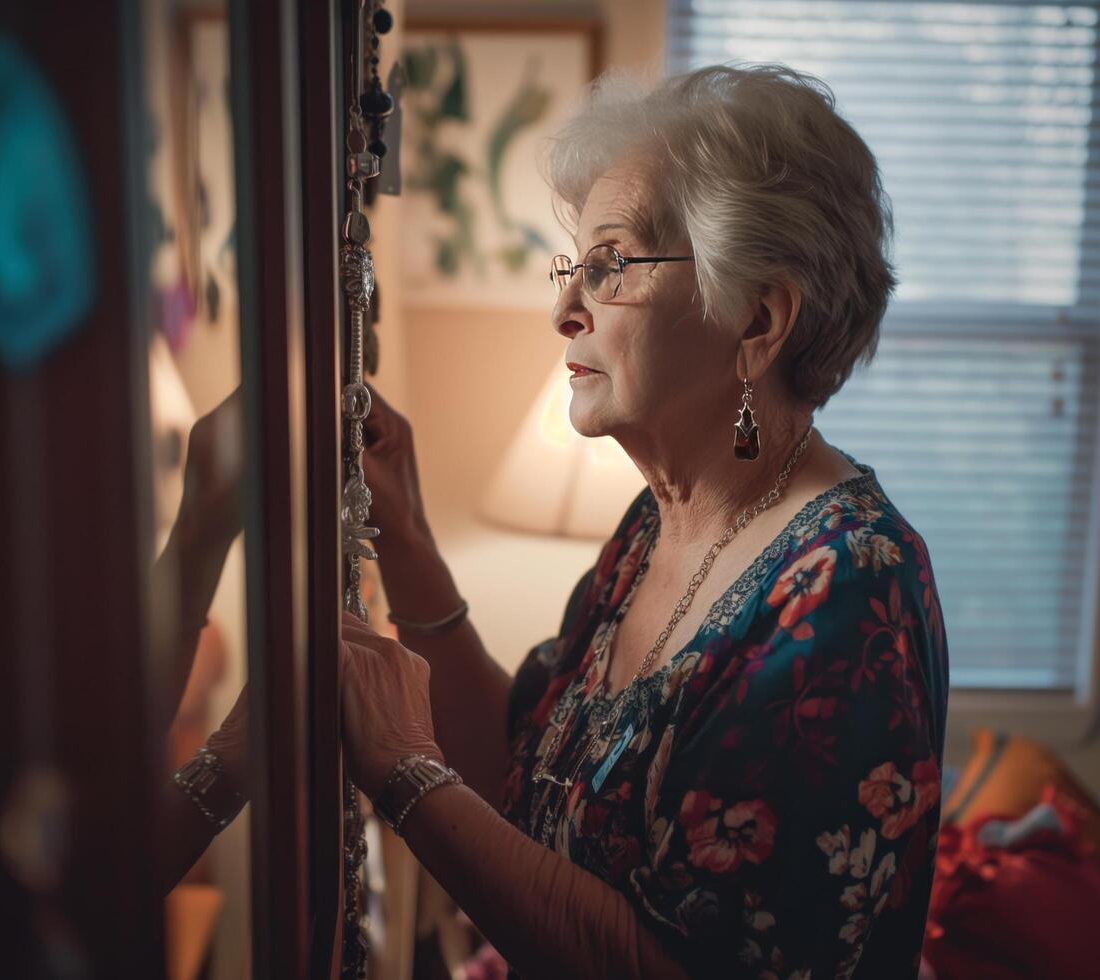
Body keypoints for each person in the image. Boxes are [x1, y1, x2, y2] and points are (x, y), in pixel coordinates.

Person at [337, 64, 949, 978]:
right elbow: (516, 764)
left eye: (610, 265)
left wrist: (400, 770)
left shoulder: (849, 591)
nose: (563, 310)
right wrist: (411, 538)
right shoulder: (652, 524)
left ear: (759, 319)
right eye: (572, 266)